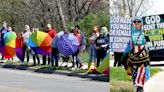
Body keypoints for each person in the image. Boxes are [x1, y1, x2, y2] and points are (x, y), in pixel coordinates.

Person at [121, 16, 150, 92]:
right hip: (134, 58)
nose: (137, 23)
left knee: (145, 74)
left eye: (138, 22)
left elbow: (148, 44)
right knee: (134, 75)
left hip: (143, 57)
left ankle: (140, 87)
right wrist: (124, 57)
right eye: (135, 22)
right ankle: (139, 88)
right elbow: (129, 46)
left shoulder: (145, 33)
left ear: (141, 23)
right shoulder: (132, 34)